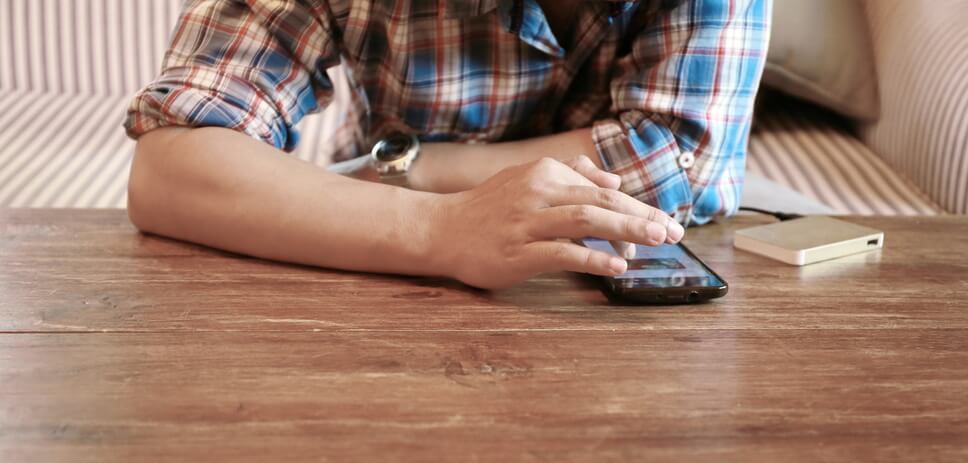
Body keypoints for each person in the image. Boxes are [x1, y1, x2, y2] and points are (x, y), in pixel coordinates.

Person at [124, 0, 770, 289]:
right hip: (378, 254)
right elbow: (170, 165)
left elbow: (684, 162)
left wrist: (414, 171)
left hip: (375, 193)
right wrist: (445, 228)